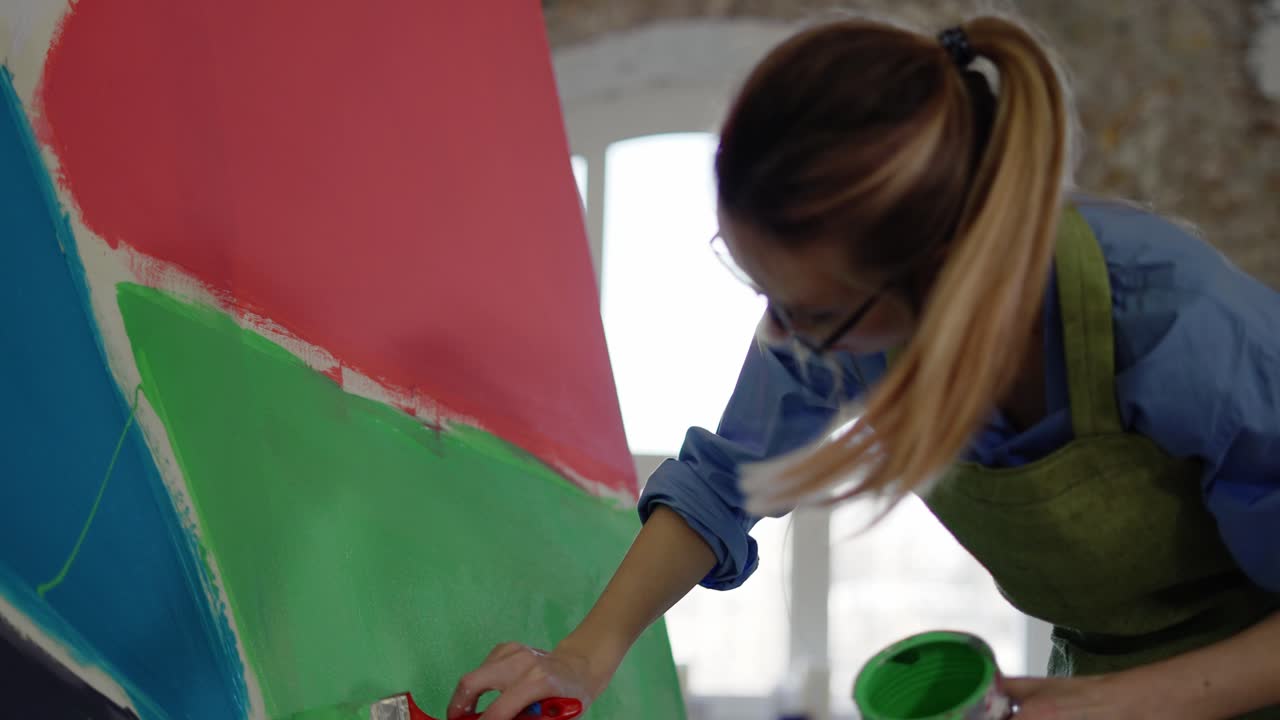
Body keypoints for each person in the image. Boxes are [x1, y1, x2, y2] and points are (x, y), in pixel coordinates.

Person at [450, 14, 1280, 720]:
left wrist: (1117, 703)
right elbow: (723, 484)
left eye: (810, 313)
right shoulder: (845, 318)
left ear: (940, 270)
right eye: (763, 291)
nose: (786, 341)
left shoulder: (1173, 319)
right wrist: (584, 659)